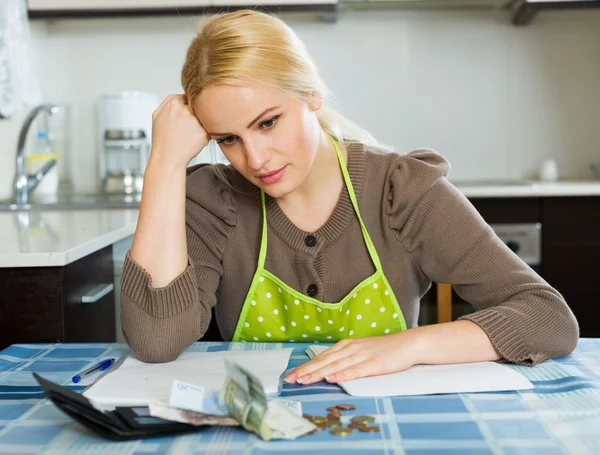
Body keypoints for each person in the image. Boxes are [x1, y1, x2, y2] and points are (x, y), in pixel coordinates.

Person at [121, 10, 578, 385]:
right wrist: (163, 162)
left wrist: (411, 346)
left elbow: (547, 317)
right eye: (227, 139)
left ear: (311, 95)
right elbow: (157, 342)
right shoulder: (213, 201)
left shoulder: (399, 190)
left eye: (267, 122)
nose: (255, 159)